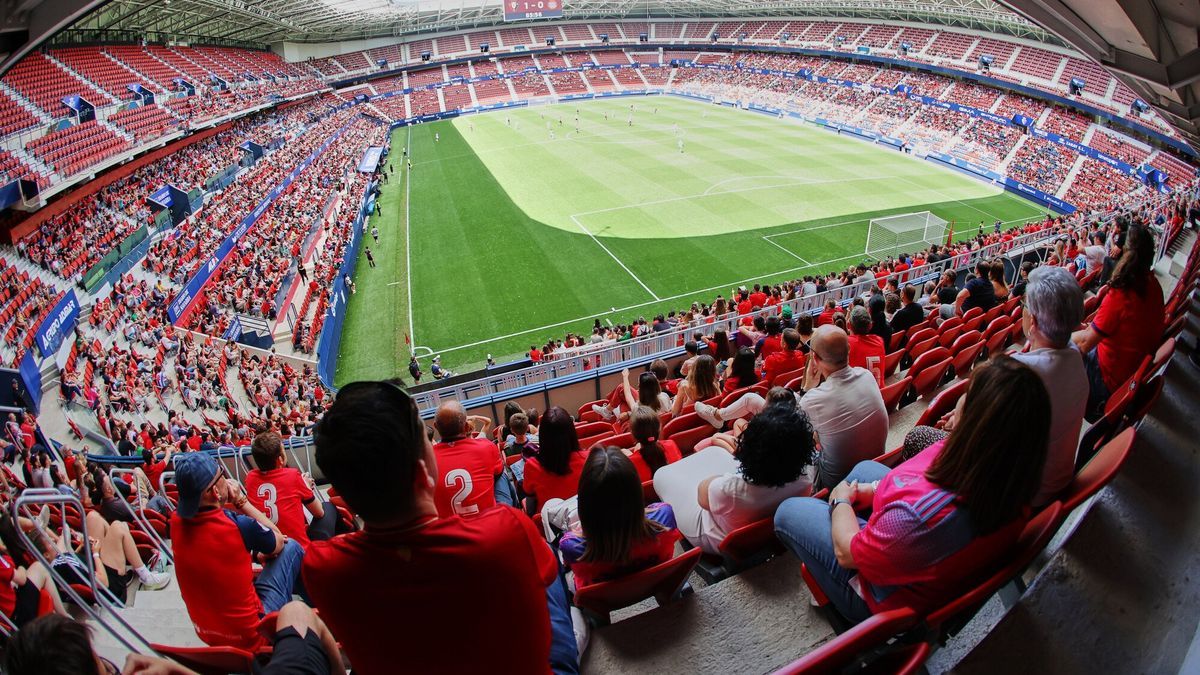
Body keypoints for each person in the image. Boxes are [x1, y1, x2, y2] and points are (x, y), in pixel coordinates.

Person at [303, 380, 581, 675]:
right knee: (546, 562)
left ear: (342, 493)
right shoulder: (508, 530)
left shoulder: (321, 568)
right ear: (424, 471)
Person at [773, 356, 1050, 624]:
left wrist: (841, 502)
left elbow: (847, 553)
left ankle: (836, 592)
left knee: (788, 511)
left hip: (883, 595)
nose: (961, 398)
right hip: (925, 544)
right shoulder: (1010, 468)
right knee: (863, 470)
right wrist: (873, 489)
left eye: (968, 393)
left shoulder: (918, 517)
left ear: (977, 423)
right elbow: (918, 485)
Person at [170, 452, 306, 650]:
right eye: (221, 475)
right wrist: (242, 501)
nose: (226, 479)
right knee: (292, 547)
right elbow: (280, 540)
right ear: (214, 491)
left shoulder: (174, 523)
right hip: (255, 634)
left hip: (208, 634)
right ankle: (325, 608)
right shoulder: (237, 526)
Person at [653, 402, 814, 554]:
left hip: (711, 534)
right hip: (754, 514)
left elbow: (702, 494)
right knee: (715, 453)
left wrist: (721, 479)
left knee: (660, 475)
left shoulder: (730, 490)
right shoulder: (806, 479)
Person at [8, 606, 345, 675]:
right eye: (107, 669)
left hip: (210, 628)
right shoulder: (230, 526)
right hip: (251, 630)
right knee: (296, 611)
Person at [1072, 225, 1164, 419]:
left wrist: (1062, 337)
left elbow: (1084, 344)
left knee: (1059, 350)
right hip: (1127, 374)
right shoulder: (1154, 285)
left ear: (1124, 253)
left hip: (1106, 382)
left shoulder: (1123, 293)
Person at [559, 447, 679, 588]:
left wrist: (580, 532)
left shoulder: (571, 544)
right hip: (657, 581)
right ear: (636, 491)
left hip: (602, 601)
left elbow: (570, 565)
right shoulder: (664, 515)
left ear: (585, 503)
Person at [799, 325, 889, 490]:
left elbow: (795, 434)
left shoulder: (812, 400)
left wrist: (807, 388)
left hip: (835, 486)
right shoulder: (866, 375)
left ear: (815, 358)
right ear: (848, 351)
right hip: (874, 469)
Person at [245, 431, 337, 547]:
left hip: (270, 546)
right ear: (280, 459)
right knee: (328, 507)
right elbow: (319, 512)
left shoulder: (250, 478)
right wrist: (306, 487)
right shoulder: (292, 476)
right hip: (298, 548)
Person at [432, 401, 512, 516]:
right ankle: (510, 513)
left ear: (436, 426)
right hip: (488, 523)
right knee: (501, 474)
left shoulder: (427, 459)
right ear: (466, 426)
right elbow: (497, 474)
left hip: (450, 529)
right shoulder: (486, 446)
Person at [523, 407, 588, 511]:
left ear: (543, 435)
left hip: (548, 524)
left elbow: (530, 505)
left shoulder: (531, 466)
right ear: (572, 432)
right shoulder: (588, 459)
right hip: (584, 520)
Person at [624, 406, 681, 482]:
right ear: (659, 428)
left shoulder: (630, 464)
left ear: (633, 434)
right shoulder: (671, 445)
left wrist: (629, 456)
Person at [846, 307, 886, 387]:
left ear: (848, 325)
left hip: (861, 397)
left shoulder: (846, 343)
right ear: (870, 325)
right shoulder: (879, 341)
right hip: (879, 393)